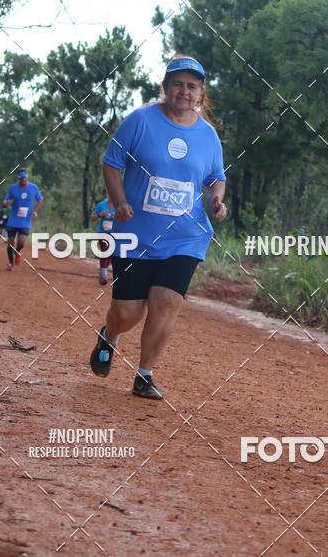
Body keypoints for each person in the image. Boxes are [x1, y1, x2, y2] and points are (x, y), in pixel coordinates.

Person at [89, 55, 227, 400]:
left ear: (201, 93)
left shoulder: (208, 136)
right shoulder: (140, 121)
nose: (184, 91)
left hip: (185, 235)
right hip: (136, 233)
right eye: (177, 84)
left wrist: (215, 201)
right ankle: (110, 333)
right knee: (128, 311)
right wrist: (119, 202)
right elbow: (111, 163)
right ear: (165, 87)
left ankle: (144, 374)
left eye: (192, 86)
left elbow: (215, 178)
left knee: (166, 301)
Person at [4, 168, 42, 271]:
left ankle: (17, 251)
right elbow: (7, 199)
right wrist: (7, 203)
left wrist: (35, 211)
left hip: (25, 220)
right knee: (10, 241)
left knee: (21, 242)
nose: (23, 181)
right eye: (21, 179)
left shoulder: (34, 188)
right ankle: (10, 262)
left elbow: (39, 200)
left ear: (27, 178)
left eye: (25, 179)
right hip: (13, 219)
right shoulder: (13, 188)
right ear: (18, 179)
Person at [90, 198, 116, 285]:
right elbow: (92, 218)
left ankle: (105, 274)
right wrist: (100, 214)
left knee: (113, 255)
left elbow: (126, 220)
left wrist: (115, 217)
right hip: (103, 233)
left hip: (115, 234)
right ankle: (103, 276)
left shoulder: (119, 205)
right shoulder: (101, 204)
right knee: (105, 252)